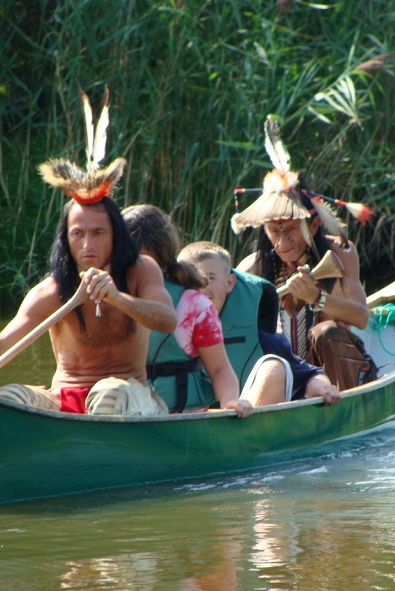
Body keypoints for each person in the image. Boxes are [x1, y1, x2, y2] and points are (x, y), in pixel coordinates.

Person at [0, 87, 178, 416]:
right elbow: (0, 342)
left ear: (116, 236)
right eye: (78, 234)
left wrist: (117, 298)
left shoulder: (141, 271)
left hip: (129, 395)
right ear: (66, 239)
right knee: (8, 397)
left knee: (109, 394)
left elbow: (167, 320)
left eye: (98, 233)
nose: (87, 245)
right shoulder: (52, 291)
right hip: (65, 398)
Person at [232, 116, 378, 390]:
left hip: (339, 376)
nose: (282, 241)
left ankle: (339, 402)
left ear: (313, 225)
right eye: (273, 231)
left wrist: (316, 297)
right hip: (287, 377)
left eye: (290, 229)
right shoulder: (252, 267)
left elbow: (361, 317)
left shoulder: (341, 253)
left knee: (325, 332)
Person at [122, 204, 252, 417]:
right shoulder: (107, 296)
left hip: (182, 416)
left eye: (140, 259)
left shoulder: (194, 305)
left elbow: (220, 369)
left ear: (159, 256)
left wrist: (230, 401)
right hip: (123, 412)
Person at [179, 241, 341, 406]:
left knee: (274, 367)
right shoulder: (166, 330)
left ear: (230, 283)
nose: (200, 287)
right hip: (182, 416)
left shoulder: (258, 337)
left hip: (240, 417)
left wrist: (318, 386)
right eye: (191, 280)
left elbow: (310, 374)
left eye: (209, 278)